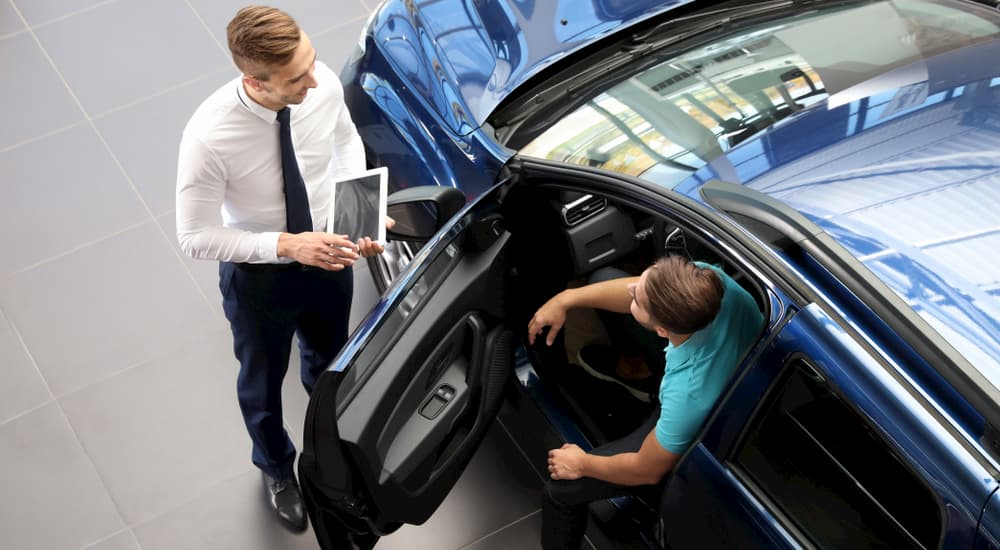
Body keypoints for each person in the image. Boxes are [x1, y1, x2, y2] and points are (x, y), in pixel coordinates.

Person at [176, 6, 384, 532]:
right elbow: (194, 236)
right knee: (262, 383)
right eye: (296, 78)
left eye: (312, 63)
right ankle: (274, 466)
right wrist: (289, 246)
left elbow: (343, 142)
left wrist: (356, 214)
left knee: (330, 357)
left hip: (329, 254)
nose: (316, 81)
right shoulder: (209, 137)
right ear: (254, 81)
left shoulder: (321, 85)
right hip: (260, 275)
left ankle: (331, 438)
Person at [527, 256, 763, 549]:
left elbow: (646, 470)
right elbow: (636, 288)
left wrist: (583, 464)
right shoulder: (706, 281)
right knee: (601, 277)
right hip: (728, 359)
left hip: (703, 408)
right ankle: (633, 369)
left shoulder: (687, 395)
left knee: (561, 489)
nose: (631, 289)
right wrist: (566, 298)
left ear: (662, 331)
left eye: (637, 300)